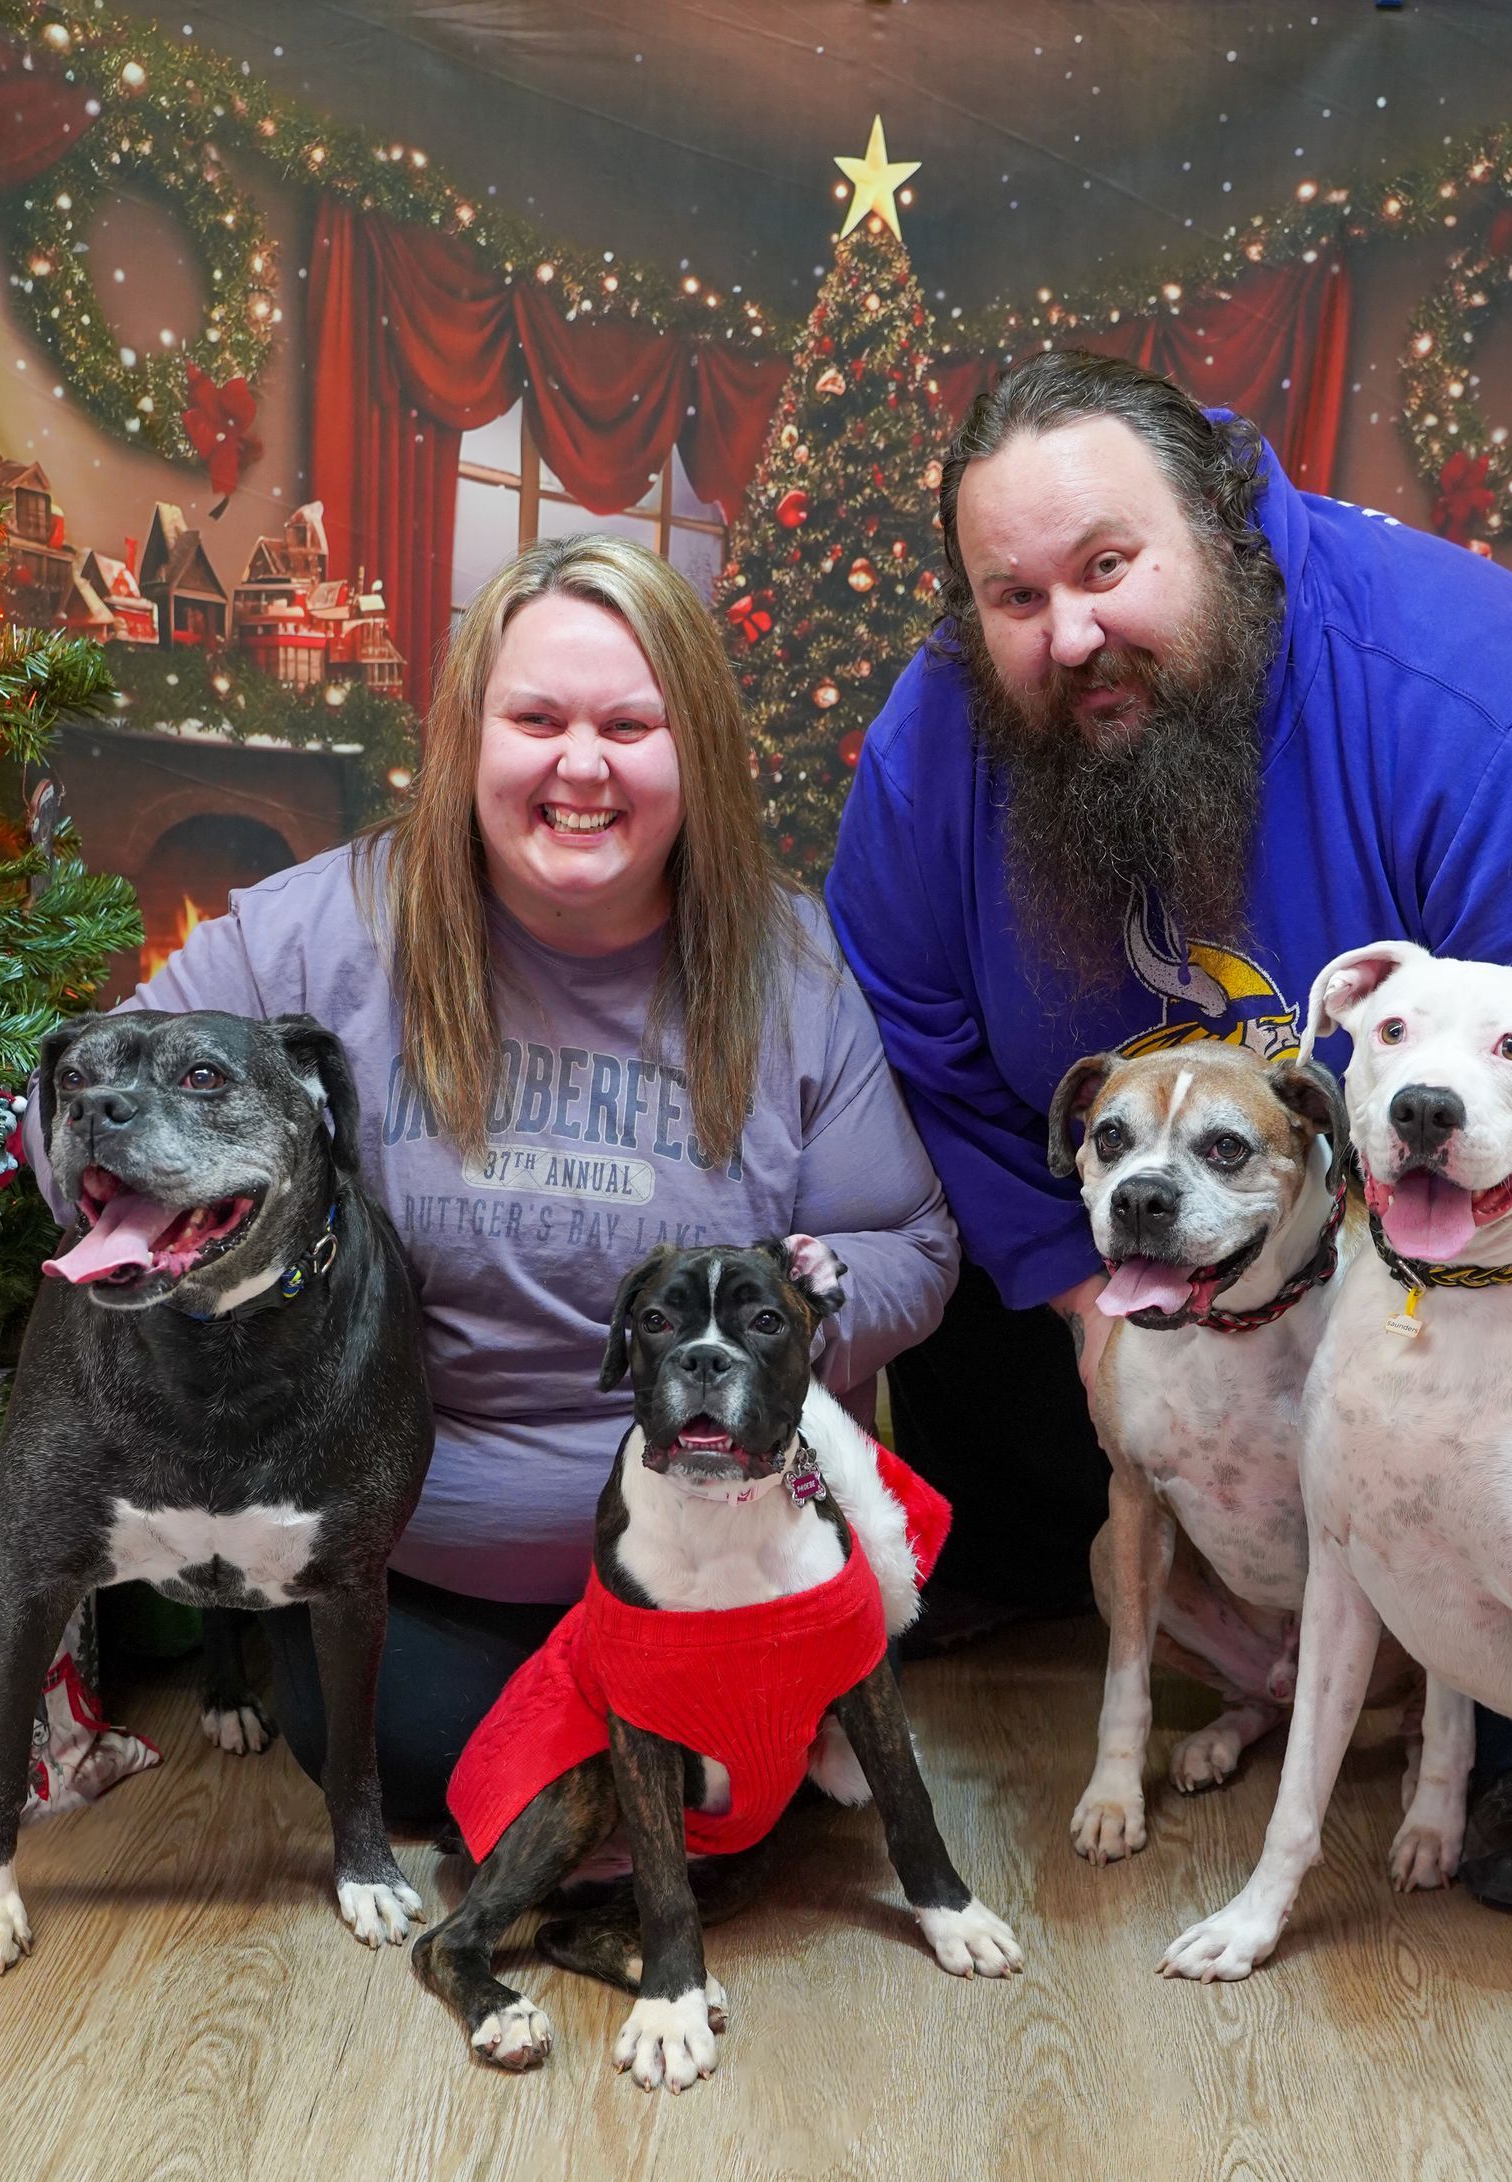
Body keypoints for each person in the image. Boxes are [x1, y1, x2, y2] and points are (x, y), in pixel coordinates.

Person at [825, 350, 1512, 1912]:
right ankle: (1043, 1571)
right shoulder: (938, 743)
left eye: (1109, 566)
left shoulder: (1460, 703)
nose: (1071, 633)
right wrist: (1079, 1292)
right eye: (1016, 597)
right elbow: (917, 1037)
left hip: (1455, 1196)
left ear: (1217, 527)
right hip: (1144, 1207)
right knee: (986, 1284)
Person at [91, 536, 958, 1821]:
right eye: (537, 719)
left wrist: (791, 1313)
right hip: (420, 1567)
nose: (582, 765)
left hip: (722, 1557)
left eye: (630, 725)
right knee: (451, 1771)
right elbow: (100, 1115)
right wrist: (192, 1243)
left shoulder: (787, 963)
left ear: (695, 751)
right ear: (468, 736)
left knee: (724, 1792)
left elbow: (913, 1248)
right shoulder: (315, 935)